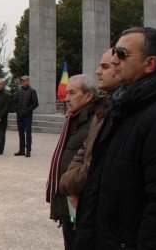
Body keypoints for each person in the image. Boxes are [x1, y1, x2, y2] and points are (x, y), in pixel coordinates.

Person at [74, 27, 156, 249]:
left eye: (122, 54)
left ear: (150, 64)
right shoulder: (119, 110)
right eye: (115, 51)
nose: (114, 59)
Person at [59, 49, 122, 224]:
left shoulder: (98, 116)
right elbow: (82, 152)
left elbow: (95, 163)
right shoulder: (83, 117)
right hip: (72, 199)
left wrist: (67, 181)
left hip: (87, 202)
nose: (97, 71)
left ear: (88, 95)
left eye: (72, 93)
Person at [46, 74, 99, 249]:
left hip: (80, 202)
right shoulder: (74, 118)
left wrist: (69, 184)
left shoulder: (95, 121)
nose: (66, 98)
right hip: (68, 200)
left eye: (72, 93)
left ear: (89, 95)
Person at [14, 75, 38, 157]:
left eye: (24, 80)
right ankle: (21, 150)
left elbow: (35, 104)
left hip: (27, 116)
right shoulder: (19, 91)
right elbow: (15, 101)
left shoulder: (32, 91)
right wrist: (16, 110)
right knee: (21, 133)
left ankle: (28, 150)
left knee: (28, 133)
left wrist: (27, 111)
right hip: (19, 115)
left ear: (28, 81)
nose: (22, 82)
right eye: (22, 81)